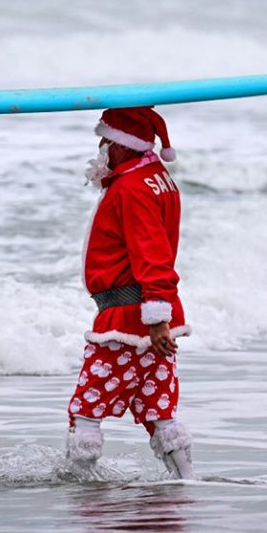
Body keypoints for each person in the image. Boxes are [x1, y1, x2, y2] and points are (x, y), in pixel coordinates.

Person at [65, 106, 195, 479]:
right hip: (154, 316)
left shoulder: (132, 187)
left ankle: (80, 487)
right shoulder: (158, 177)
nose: (101, 148)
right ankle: (188, 483)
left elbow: (151, 253)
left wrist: (155, 321)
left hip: (129, 320)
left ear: (124, 144)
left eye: (106, 140)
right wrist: (161, 318)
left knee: (87, 407)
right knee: (158, 408)